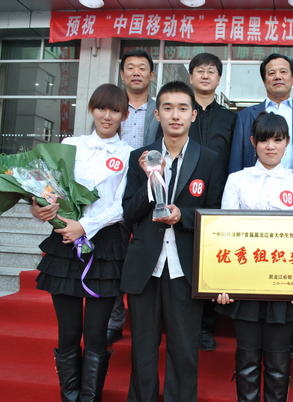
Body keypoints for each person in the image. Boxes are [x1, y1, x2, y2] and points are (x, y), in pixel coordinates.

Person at [120, 81, 225, 402]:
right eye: (167, 108)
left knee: (184, 349)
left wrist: (184, 216)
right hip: (146, 267)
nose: (175, 115)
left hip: (185, 267)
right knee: (143, 349)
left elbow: (215, 215)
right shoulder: (140, 157)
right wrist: (150, 183)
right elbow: (129, 213)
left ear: (193, 114)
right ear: (157, 114)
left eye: (182, 108)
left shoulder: (209, 159)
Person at [33, 83, 132, 401]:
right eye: (101, 108)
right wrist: (40, 209)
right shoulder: (70, 145)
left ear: (124, 115)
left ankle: (90, 397)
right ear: (91, 109)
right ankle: (70, 396)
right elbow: (50, 190)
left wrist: (85, 226)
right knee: (68, 331)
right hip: (65, 243)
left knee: (96, 334)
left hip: (105, 246)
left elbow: (123, 205)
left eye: (115, 110)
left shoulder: (130, 154)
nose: (107, 115)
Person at [217, 112, 293, 402]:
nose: (271, 146)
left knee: (278, 361)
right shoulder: (237, 179)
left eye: (277, 140)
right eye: (264, 140)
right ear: (252, 142)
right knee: (246, 359)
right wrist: (221, 282)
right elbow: (224, 233)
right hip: (244, 283)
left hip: (284, 285)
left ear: (287, 143)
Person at [107, 48, 163, 346]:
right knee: (113, 256)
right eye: (130, 67)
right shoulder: (110, 108)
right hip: (113, 193)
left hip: (149, 193)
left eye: (143, 67)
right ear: (122, 73)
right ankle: (114, 319)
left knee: (148, 255)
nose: (136, 72)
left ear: (152, 75)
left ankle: (152, 319)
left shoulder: (159, 108)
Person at [187, 52, 237, 352]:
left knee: (212, 260)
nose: (205, 76)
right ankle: (184, 322)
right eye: (200, 70)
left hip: (218, 197)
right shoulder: (180, 111)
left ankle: (206, 325)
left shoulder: (231, 118)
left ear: (219, 79)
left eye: (211, 71)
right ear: (191, 76)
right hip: (183, 199)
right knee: (185, 260)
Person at [229, 53, 293, 178]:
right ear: (264, 82)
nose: (278, 76)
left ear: (292, 79)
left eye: (283, 72)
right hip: (255, 185)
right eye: (271, 73)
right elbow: (236, 161)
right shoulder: (245, 116)